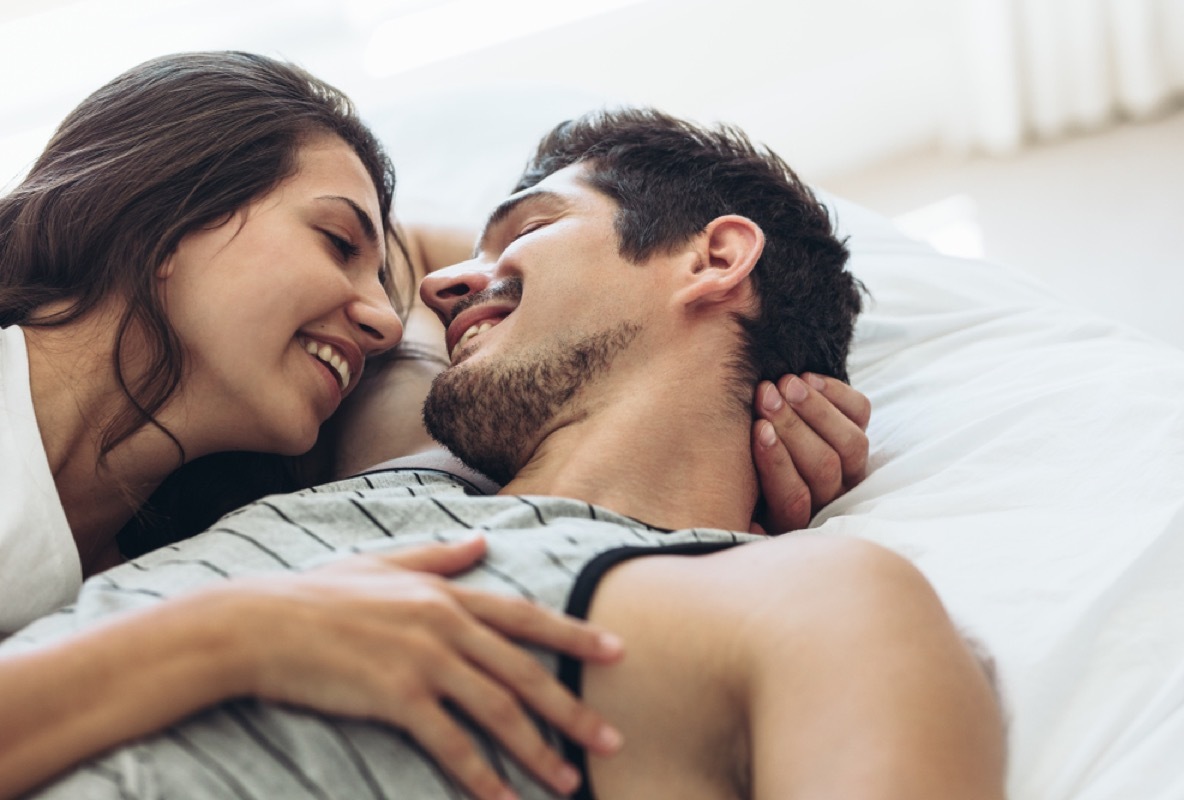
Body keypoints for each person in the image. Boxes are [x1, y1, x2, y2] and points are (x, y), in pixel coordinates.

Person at [8, 109, 1005, 800]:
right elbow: (283, 236)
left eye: (525, 230)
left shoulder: (811, 598)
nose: (441, 285)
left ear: (713, 256)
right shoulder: (375, 438)